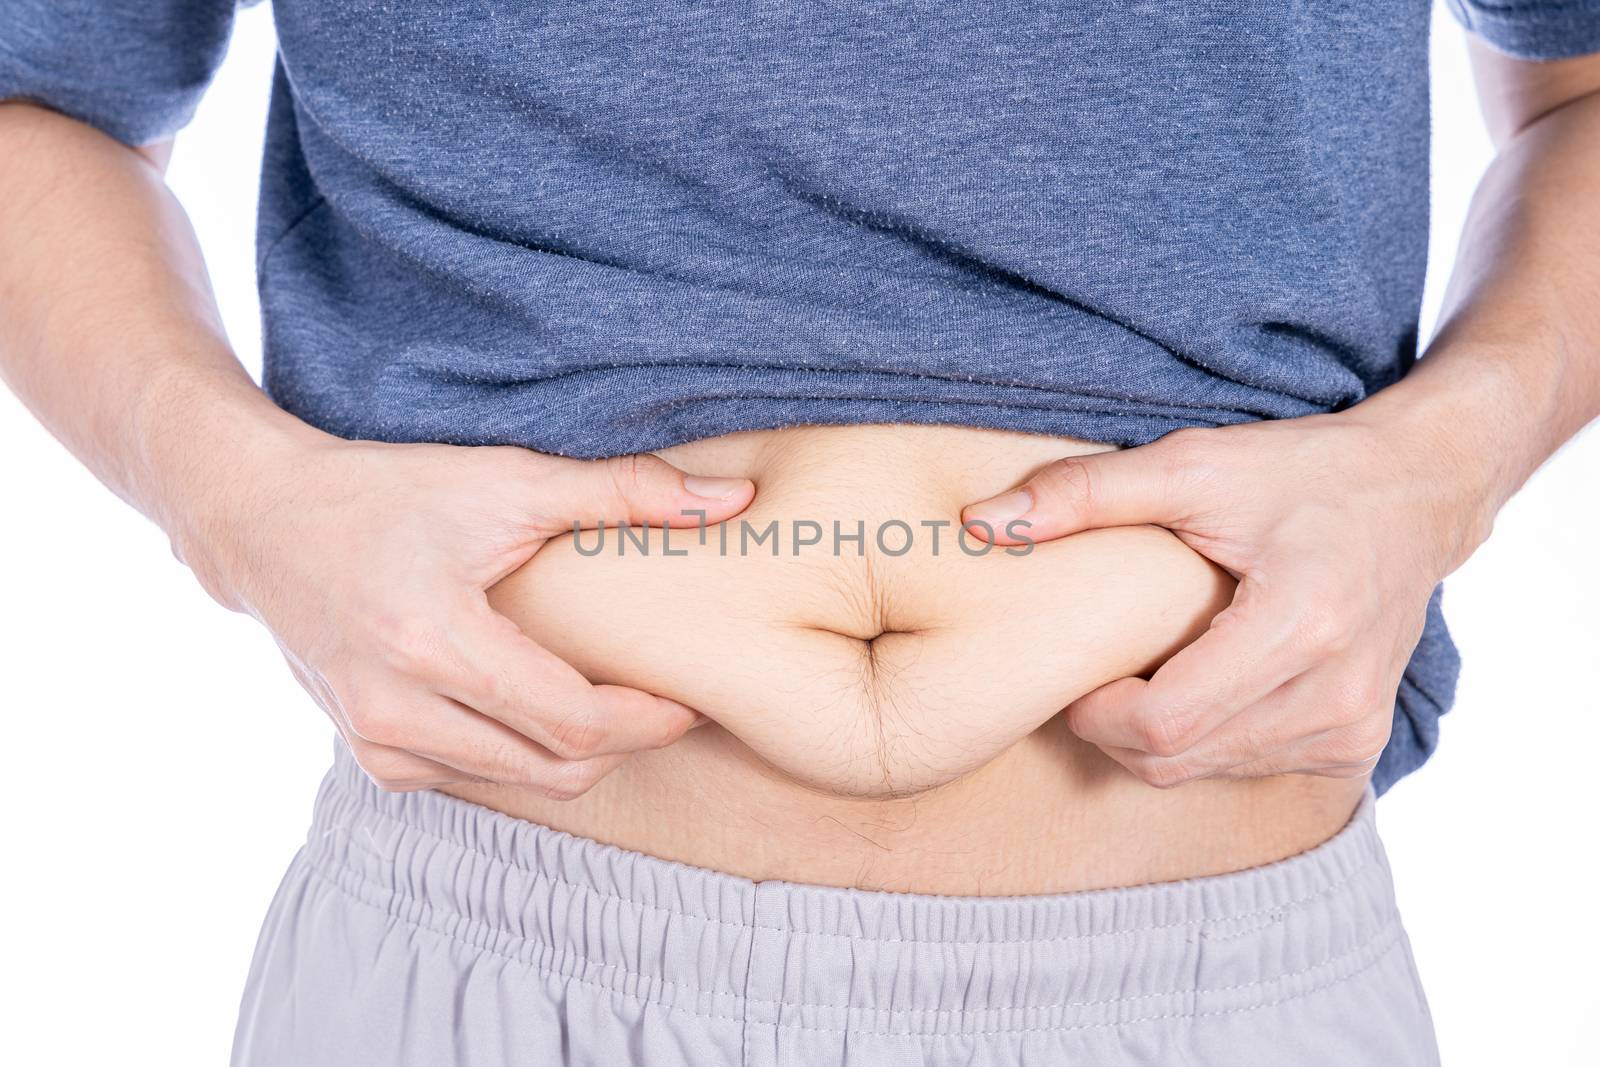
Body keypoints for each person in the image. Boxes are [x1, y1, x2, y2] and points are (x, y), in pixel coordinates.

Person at [1, 2, 1596, 1063]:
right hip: (499, 953)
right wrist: (236, 498)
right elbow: (40, 101)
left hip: (1219, 972)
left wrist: (1443, 463)